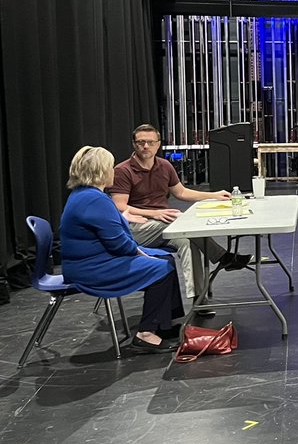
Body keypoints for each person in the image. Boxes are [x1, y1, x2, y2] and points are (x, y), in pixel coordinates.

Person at [60, 146, 184, 354]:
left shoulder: (85, 194)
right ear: (100, 171)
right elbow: (119, 244)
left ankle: (164, 324)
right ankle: (146, 334)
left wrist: (123, 218)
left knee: (167, 259)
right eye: (110, 167)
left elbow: (109, 229)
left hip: (95, 259)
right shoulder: (94, 199)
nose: (113, 172)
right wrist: (140, 252)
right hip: (93, 268)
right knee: (161, 268)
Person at [109, 124, 245, 302]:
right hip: (136, 227)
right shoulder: (123, 171)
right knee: (180, 221)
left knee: (187, 241)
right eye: (141, 142)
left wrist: (214, 195)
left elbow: (181, 192)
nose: (146, 146)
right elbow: (120, 206)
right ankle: (222, 257)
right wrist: (152, 214)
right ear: (134, 144)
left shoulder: (164, 166)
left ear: (158, 144)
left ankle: (198, 298)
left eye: (150, 142)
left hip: (164, 225)